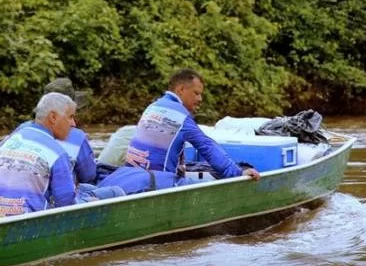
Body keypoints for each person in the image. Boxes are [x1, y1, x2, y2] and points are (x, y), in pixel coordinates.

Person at [100, 68, 260, 194]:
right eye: (196, 93)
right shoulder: (180, 116)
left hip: (130, 175)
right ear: (181, 89)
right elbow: (207, 147)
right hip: (155, 183)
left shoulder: (154, 106)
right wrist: (237, 173)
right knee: (208, 183)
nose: (200, 99)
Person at [0, 92, 78, 217]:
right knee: (89, 191)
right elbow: (66, 202)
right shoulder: (57, 153)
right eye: (70, 117)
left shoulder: (12, 138)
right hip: (31, 220)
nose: (73, 123)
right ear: (53, 117)